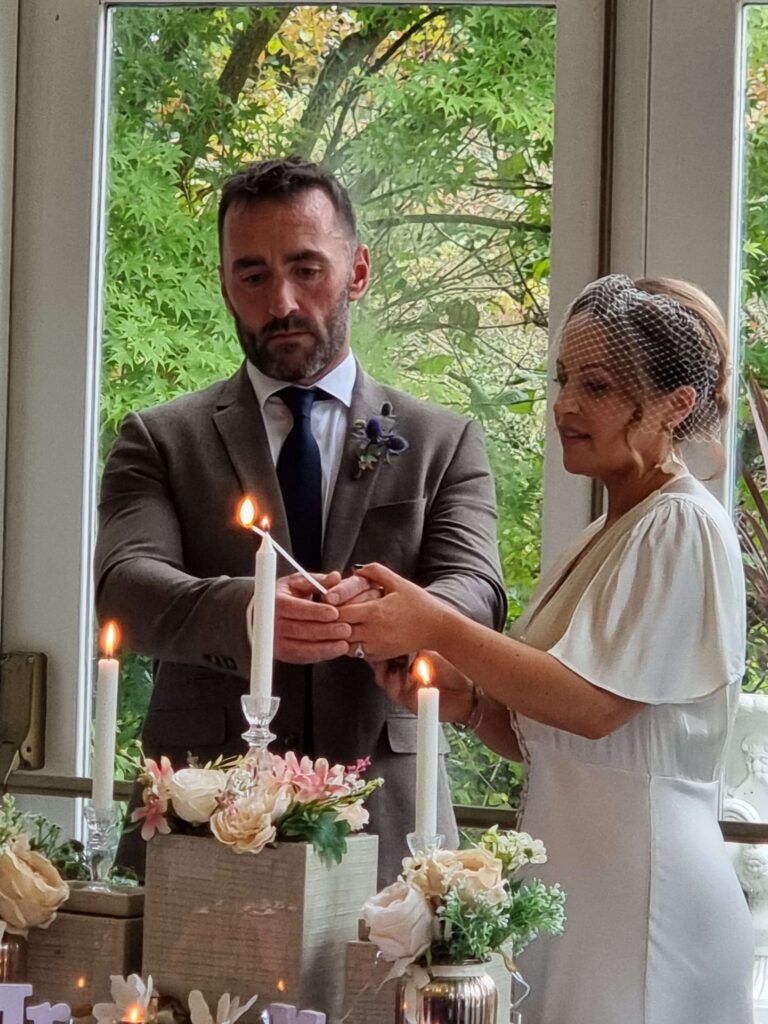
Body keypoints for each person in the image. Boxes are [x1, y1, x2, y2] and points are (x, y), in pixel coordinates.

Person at [338, 275, 754, 1023]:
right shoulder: (600, 535)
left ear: (675, 405)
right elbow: (553, 740)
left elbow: (594, 708)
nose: (563, 405)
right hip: (574, 896)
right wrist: (458, 698)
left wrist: (435, 623)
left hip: (643, 901)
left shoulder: (680, 525)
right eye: (563, 378)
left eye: (596, 385)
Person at [94, 156, 506, 886]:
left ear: (358, 271)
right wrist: (248, 613)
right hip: (205, 818)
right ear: (225, 285)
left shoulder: (445, 441)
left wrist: (408, 615)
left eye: (307, 269)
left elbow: (479, 590)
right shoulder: (159, 439)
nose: (282, 299)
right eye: (253, 275)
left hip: (393, 827)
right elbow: (126, 585)